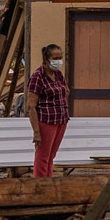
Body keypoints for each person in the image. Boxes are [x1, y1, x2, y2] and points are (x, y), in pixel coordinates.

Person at [27, 43, 71, 178]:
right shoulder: (37, 76)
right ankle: (40, 184)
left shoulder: (58, 74)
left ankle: (48, 181)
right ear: (47, 59)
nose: (58, 61)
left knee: (51, 156)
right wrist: (36, 132)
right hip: (46, 121)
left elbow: (66, 91)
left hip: (61, 120)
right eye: (55, 58)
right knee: (43, 156)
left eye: (60, 58)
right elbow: (31, 106)